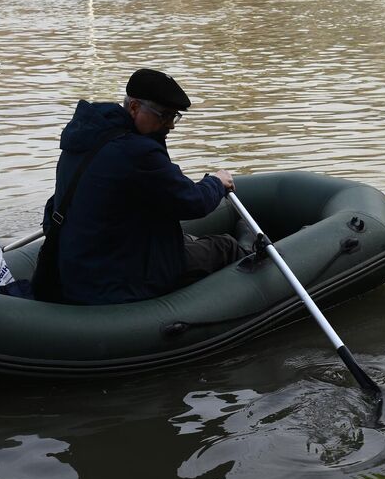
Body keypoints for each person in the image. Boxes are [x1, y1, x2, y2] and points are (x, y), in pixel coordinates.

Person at [32, 68, 247, 305]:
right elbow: (192, 202)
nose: (171, 126)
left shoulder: (85, 136)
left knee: (186, 241)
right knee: (225, 246)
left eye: (174, 116)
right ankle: (253, 262)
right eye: (164, 115)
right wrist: (216, 182)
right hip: (115, 280)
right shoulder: (137, 152)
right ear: (134, 107)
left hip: (79, 267)